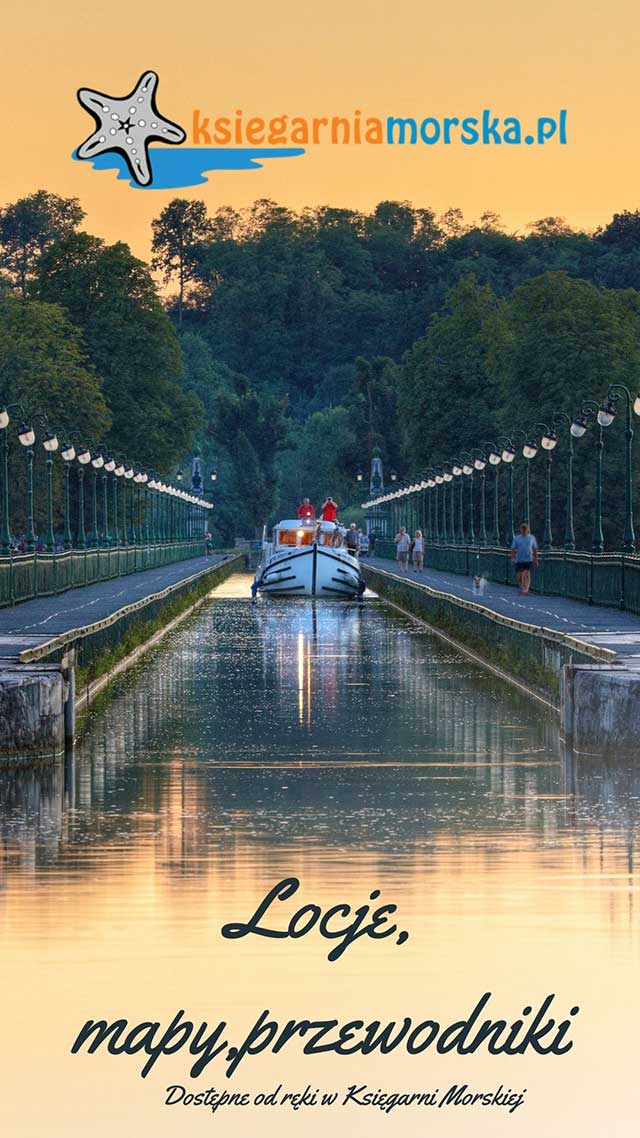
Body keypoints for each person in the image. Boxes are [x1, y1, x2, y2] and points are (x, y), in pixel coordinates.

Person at [511, 523, 539, 594]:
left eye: (525, 530)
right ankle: (522, 587)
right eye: (523, 530)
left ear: (527, 530)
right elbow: (513, 549)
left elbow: (535, 549)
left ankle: (526, 589)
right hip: (519, 559)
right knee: (519, 576)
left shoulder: (531, 538)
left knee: (526, 573)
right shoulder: (517, 538)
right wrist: (513, 558)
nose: (524, 531)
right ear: (521, 530)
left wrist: (536, 559)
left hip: (528, 559)